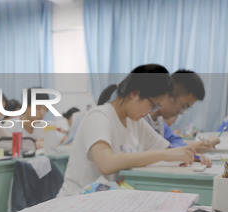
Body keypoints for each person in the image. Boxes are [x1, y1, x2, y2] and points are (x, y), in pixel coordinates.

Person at [57, 64, 196, 197]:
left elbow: (168, 149)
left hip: (103, 200)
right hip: (75, 200)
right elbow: (107, 163)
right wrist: (164, 155)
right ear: (134, 93)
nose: (151, 112)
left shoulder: (136, 123)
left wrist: (194, 158)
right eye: (153, 105)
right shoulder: (99, 116)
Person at [144, 70, 218, 153]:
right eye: (183, 106)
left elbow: (175, 141)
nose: (181, 112)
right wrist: (194, 146)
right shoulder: (141, 118)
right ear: (170, 96)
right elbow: (161, 149)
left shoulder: (159, 121)